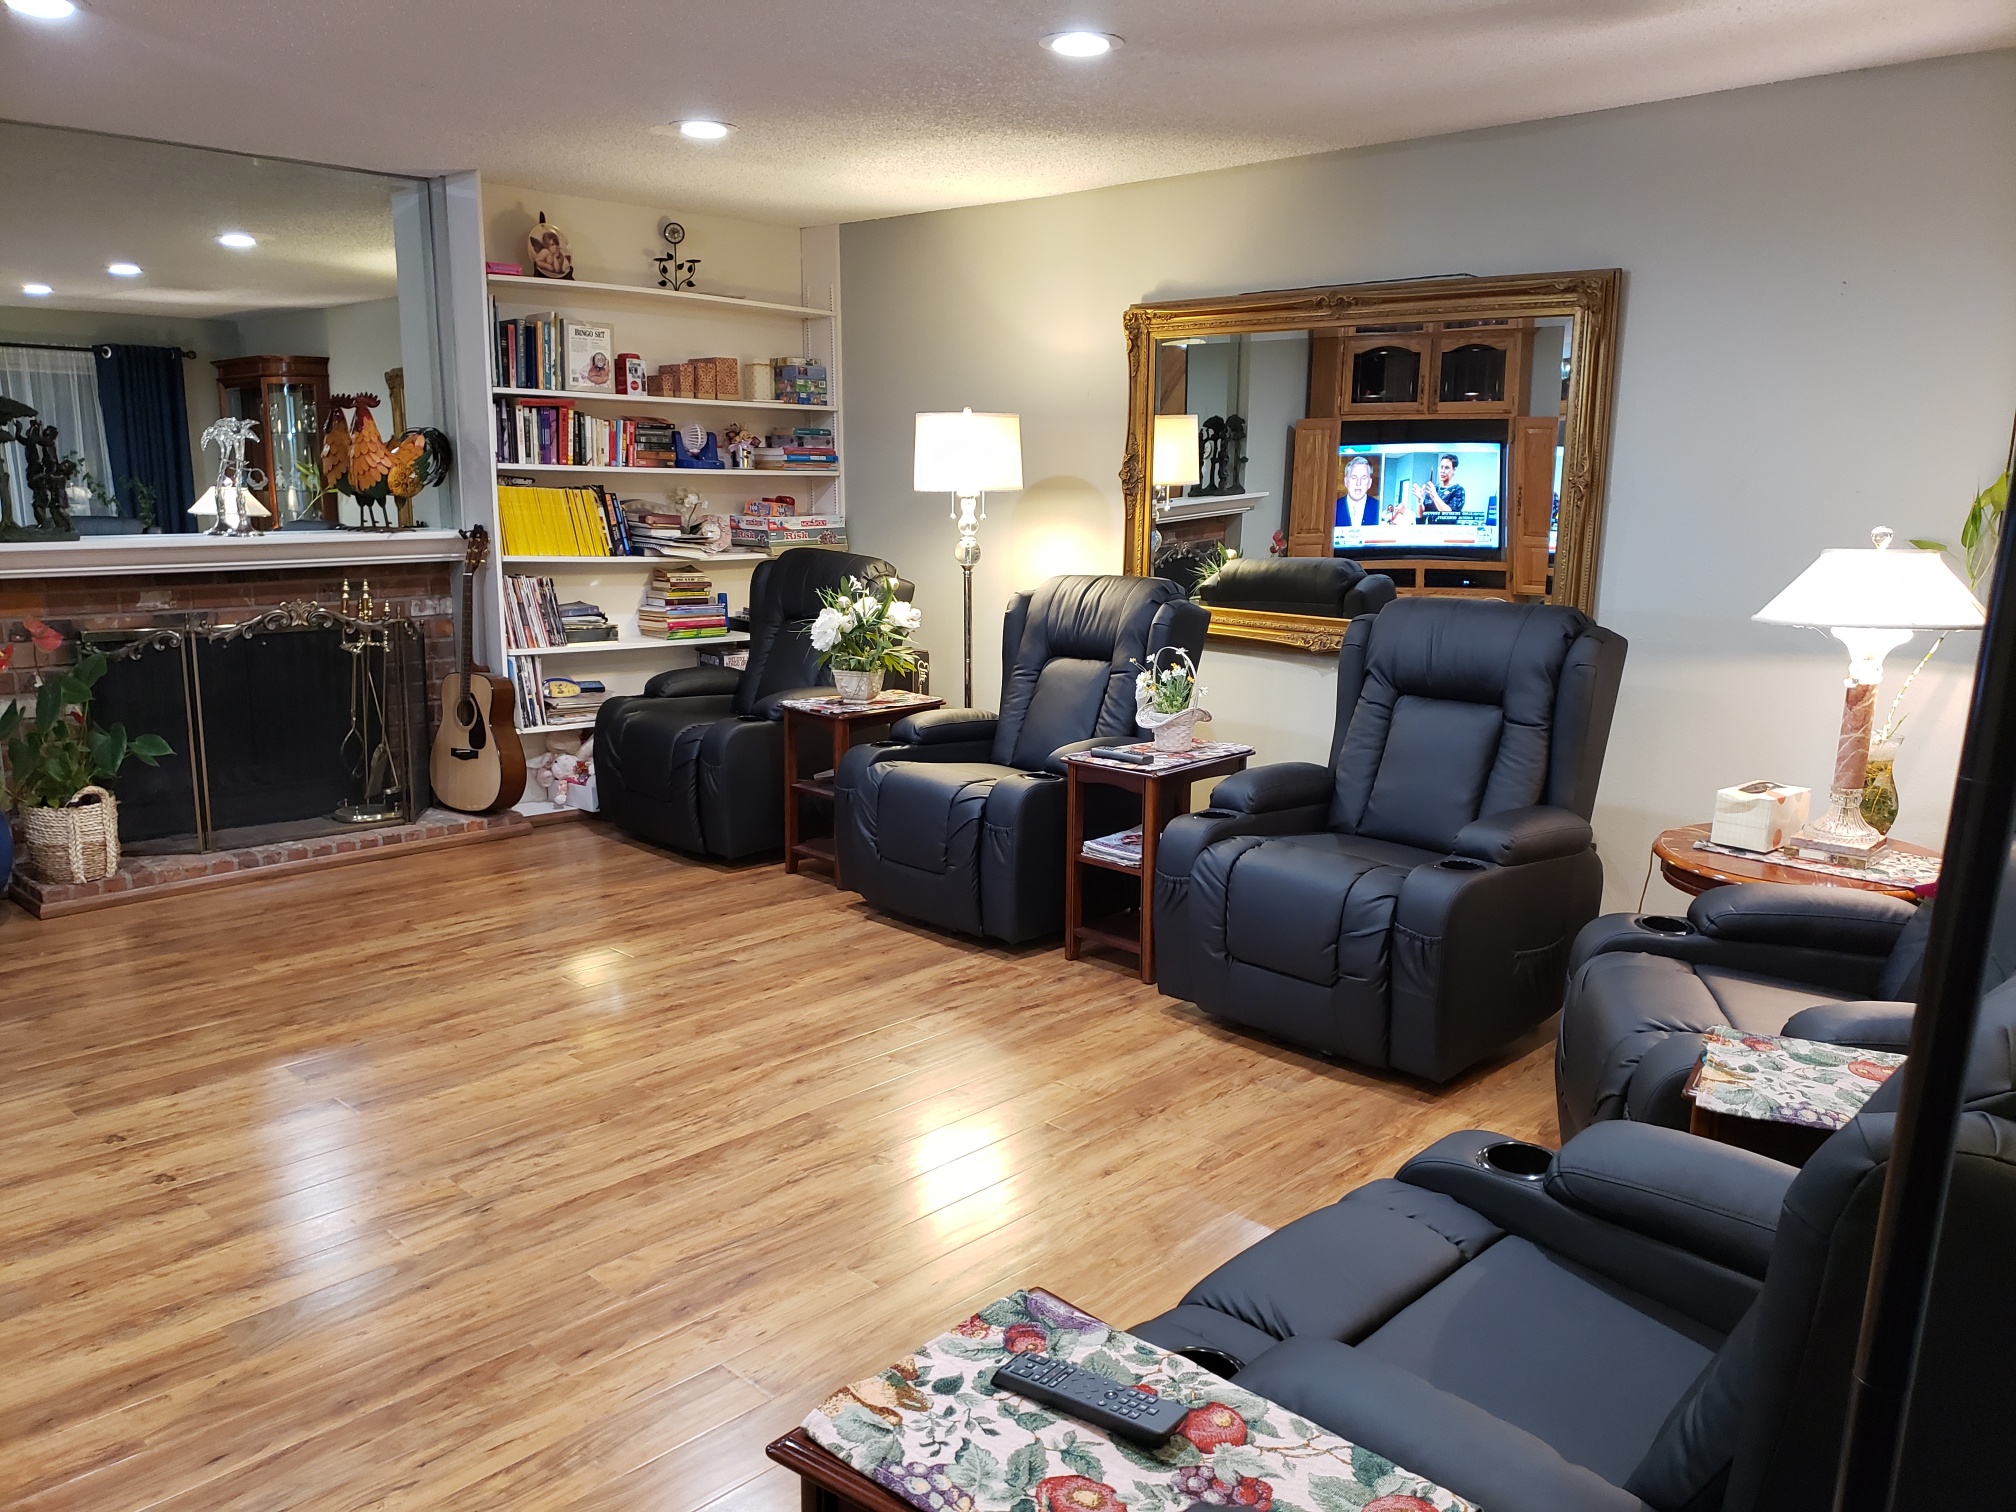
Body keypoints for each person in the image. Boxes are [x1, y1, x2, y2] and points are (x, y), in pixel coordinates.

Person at [1415, 453, 1466, 521]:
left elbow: (1449, 515)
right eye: (1441, 467)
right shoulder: (1434, 489)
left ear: (1454, 470)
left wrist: (1435, 496)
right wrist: (1419, 501)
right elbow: (1421, 515)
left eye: (1447, 468)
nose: (1442, 471)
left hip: (1448, 530)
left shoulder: (1458, 490)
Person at [1336, 453, 1380, 528]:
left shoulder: (1379, 508)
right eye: (1354, 477)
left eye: (1363, 478)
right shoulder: (1333, 508)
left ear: (1369, 483)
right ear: (1346, 482)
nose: (1358, 483)